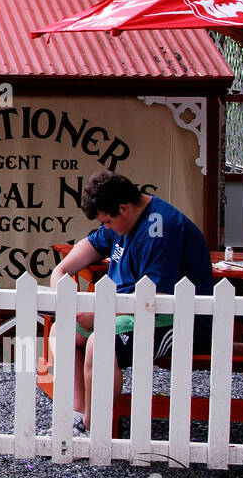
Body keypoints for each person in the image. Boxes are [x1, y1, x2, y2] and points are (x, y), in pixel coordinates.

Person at [49, 170, 215, 433]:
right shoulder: (122, 221)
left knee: (100, 344)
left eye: (107, 221)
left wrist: (100, 314)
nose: (105, 228)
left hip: (175, 319)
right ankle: (77, 415)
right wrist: (60, 272)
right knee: (62, 331)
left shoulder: (160, 228)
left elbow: (155, 299)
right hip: (126, 310)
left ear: (123, 209)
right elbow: (87, 247)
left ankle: (94, 429)